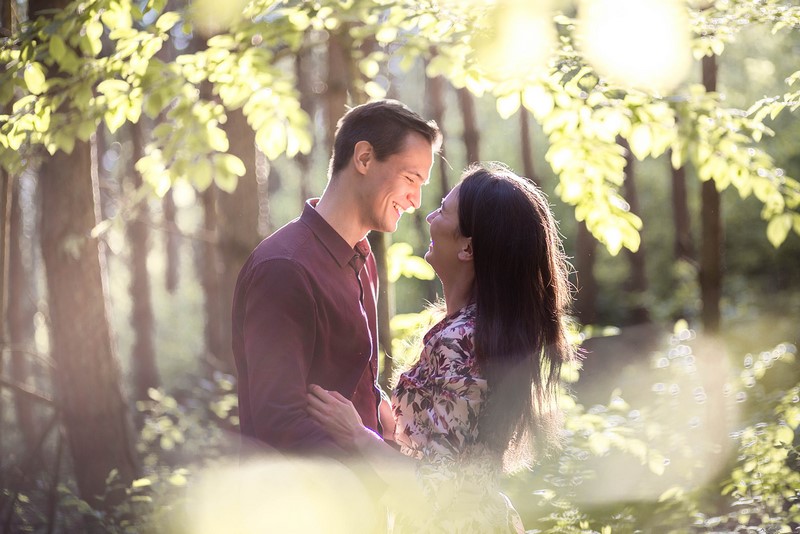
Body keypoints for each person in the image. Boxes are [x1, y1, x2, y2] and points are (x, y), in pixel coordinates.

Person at [307, 162, 576, 532]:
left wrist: (356, 435)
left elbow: (432, 490)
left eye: (444, 210)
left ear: (467, 247)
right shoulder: (476, 334)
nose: (430, 215)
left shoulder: (460, 342)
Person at [232, 99, 441, 453]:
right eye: (410, 178)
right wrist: (375, 473)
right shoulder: (284, 268)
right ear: (363, 158)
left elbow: (355, 384)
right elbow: (278, 424)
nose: (416, 200)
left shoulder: (363, 259)